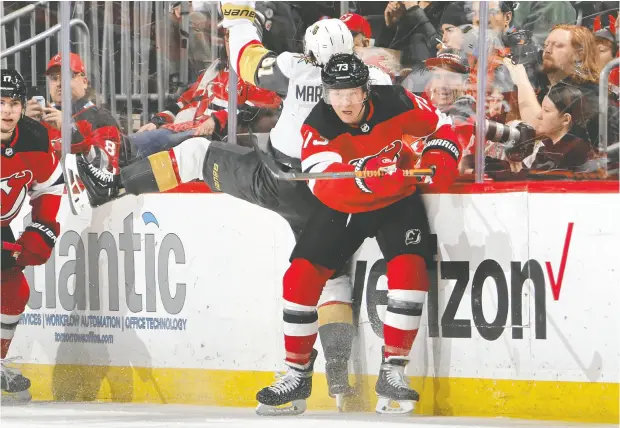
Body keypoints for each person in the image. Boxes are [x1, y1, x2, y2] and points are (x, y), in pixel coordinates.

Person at [76, 6, 390, 410]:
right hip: (332, 194)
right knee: (332, 280)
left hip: (280, 180)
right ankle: (340, 388)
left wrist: (241, 16)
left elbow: (246, 61)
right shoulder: (373, 80)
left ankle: (115, 184)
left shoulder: (296, 67)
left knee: (196, 154)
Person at [254, 53, 460, 416]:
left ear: (367, 91)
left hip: (397, 201)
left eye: (352, 93)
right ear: (326, 94)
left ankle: (394, 371)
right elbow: (329, 190)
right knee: (300, 276)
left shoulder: (396, 100)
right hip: (347, 206)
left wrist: (441, 156)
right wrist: (371, 177)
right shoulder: (317, 125)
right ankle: (296, 372)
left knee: (410, 271)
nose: (345, 102)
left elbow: (442, 124)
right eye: (336, 93)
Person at [1, 69, 63, 403]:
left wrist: (44, 225)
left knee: (15, 287)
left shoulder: (36, 138)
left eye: (14, 103)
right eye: (0, 103)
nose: (7, 111)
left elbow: (51, 185)